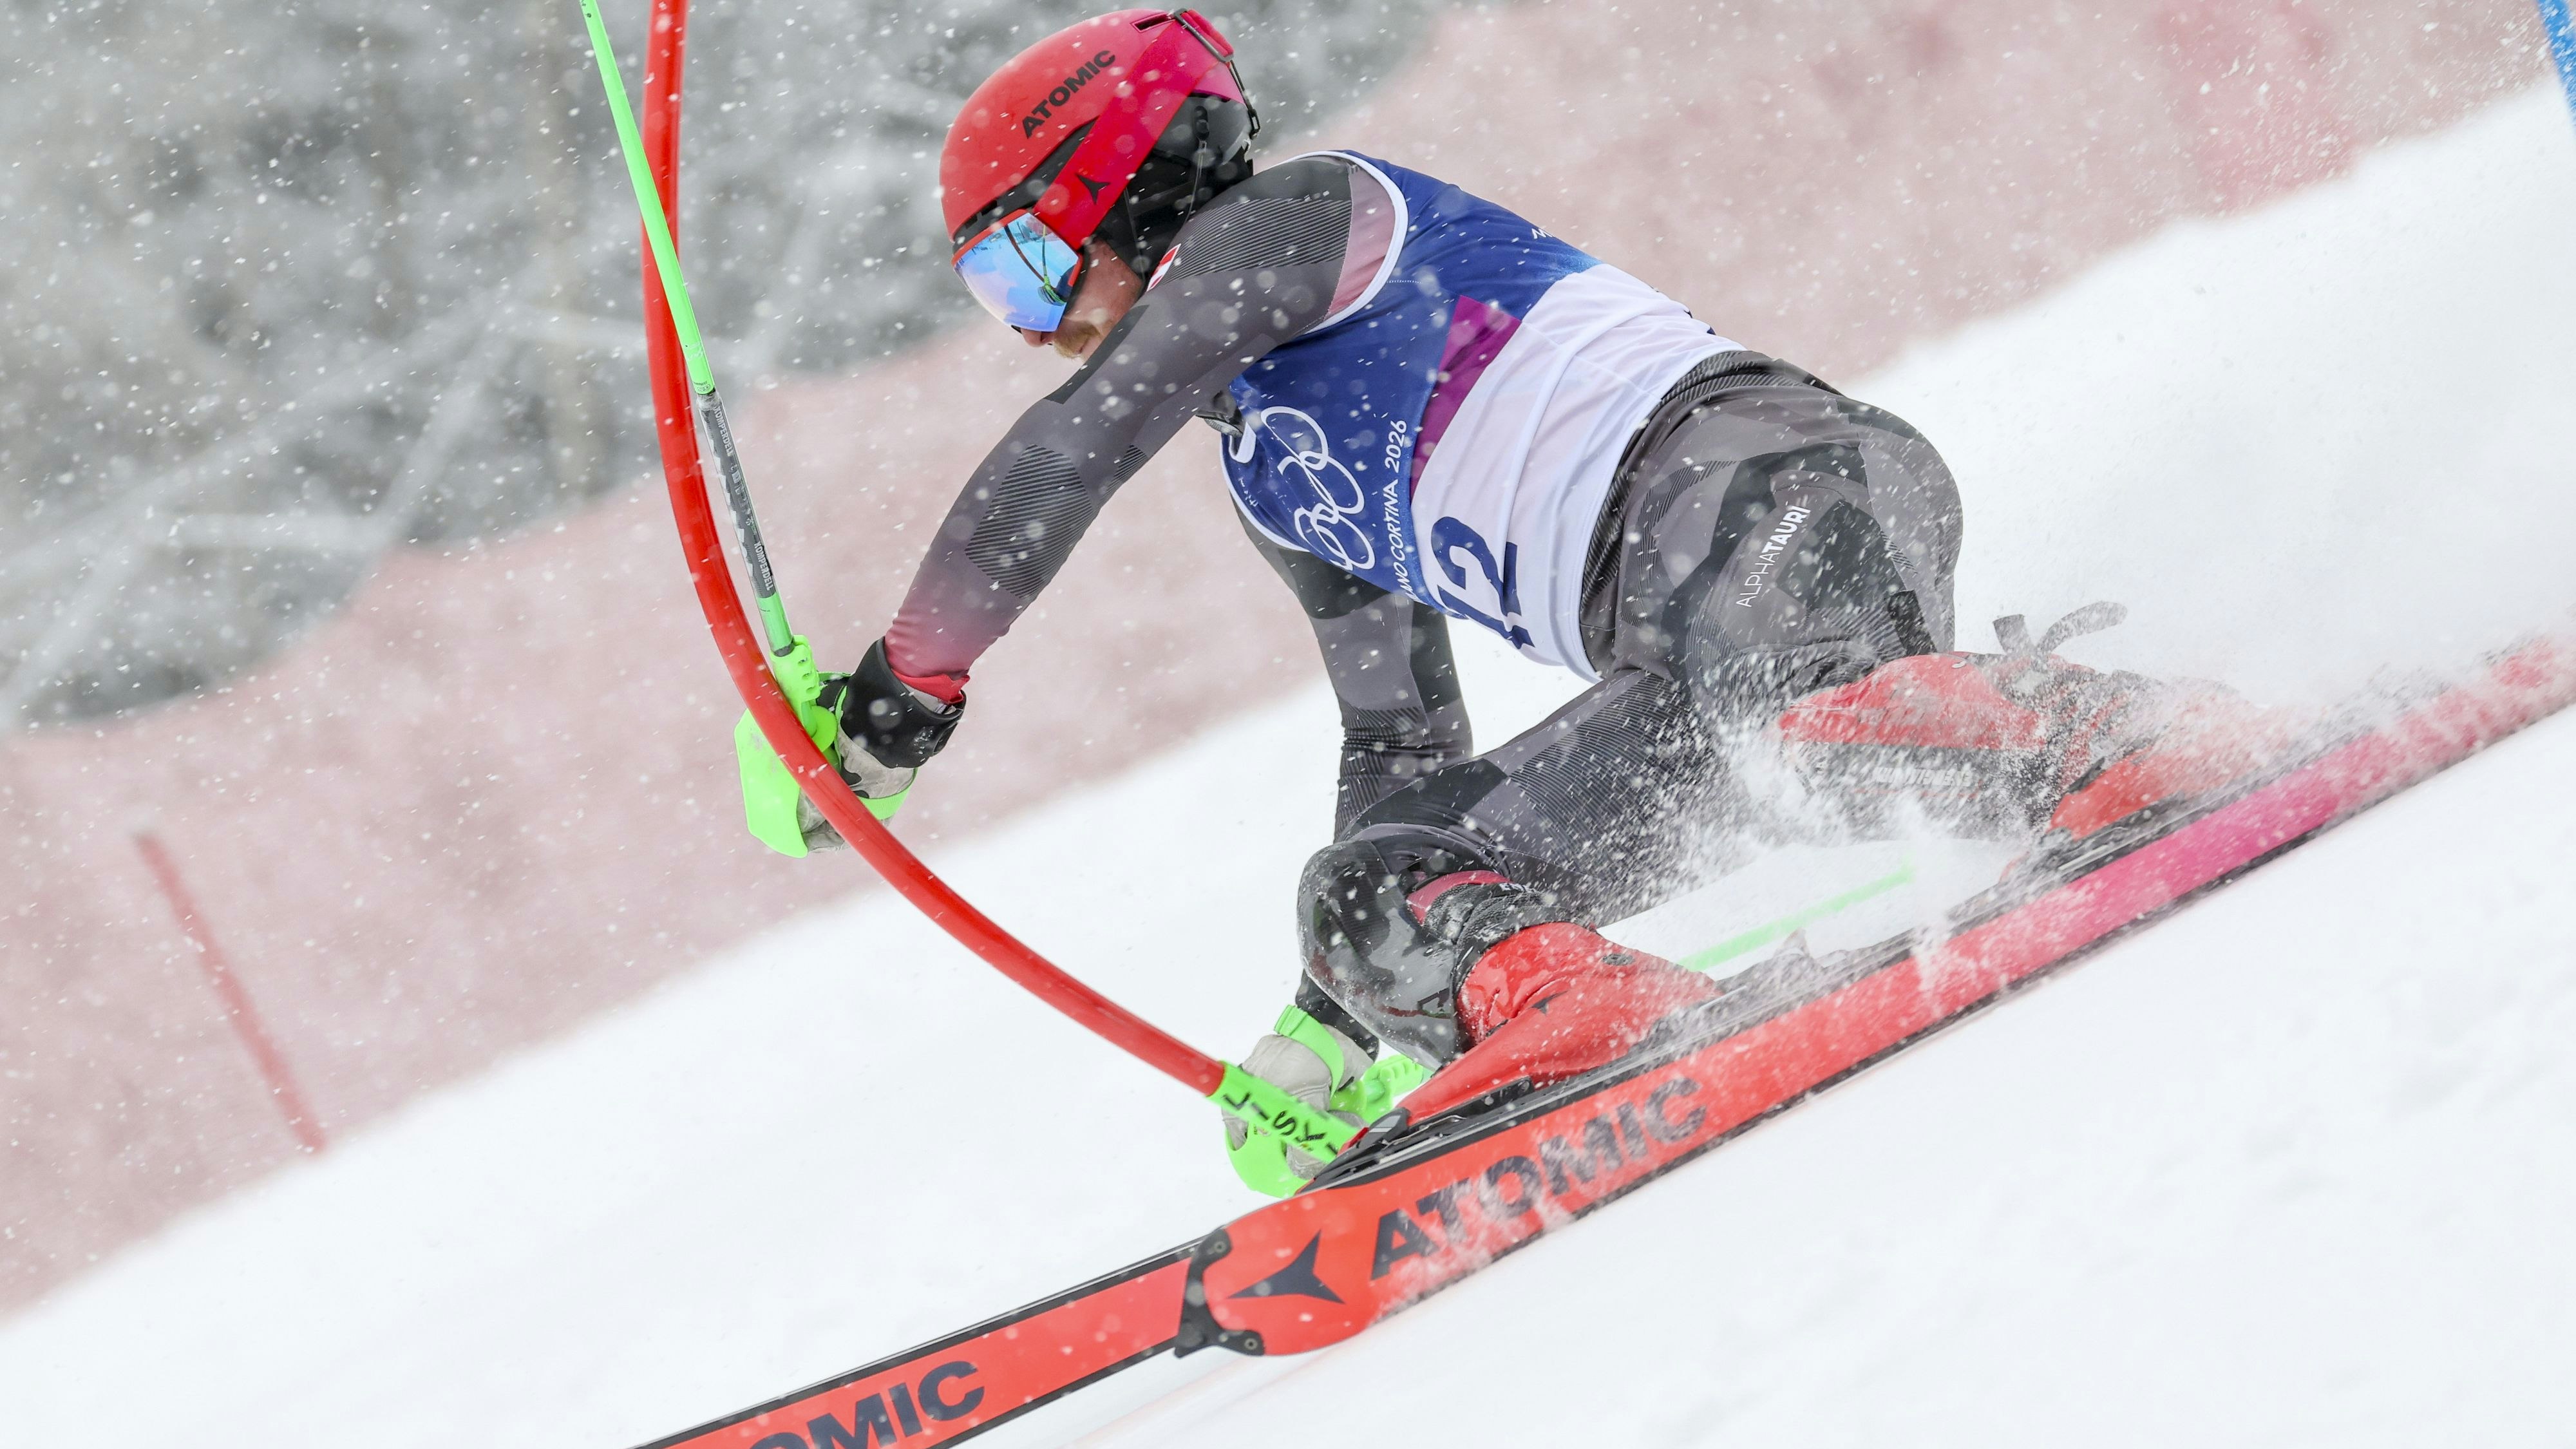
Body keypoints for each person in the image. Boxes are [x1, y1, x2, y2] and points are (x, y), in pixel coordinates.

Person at [796, 9, 2257, 1190]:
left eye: (1022, 269)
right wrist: (1344, 1004)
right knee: (1378, 880)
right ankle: (1580, 1011)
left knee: (1791, 716)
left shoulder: (1293, 223)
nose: (1035, 328)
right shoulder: (1274, 471)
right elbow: (1400, 750)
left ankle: (2112, 737)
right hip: (1682, 670)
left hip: (1770, 492)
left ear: (1114, 184)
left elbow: (1069, 450)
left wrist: (908, 682)